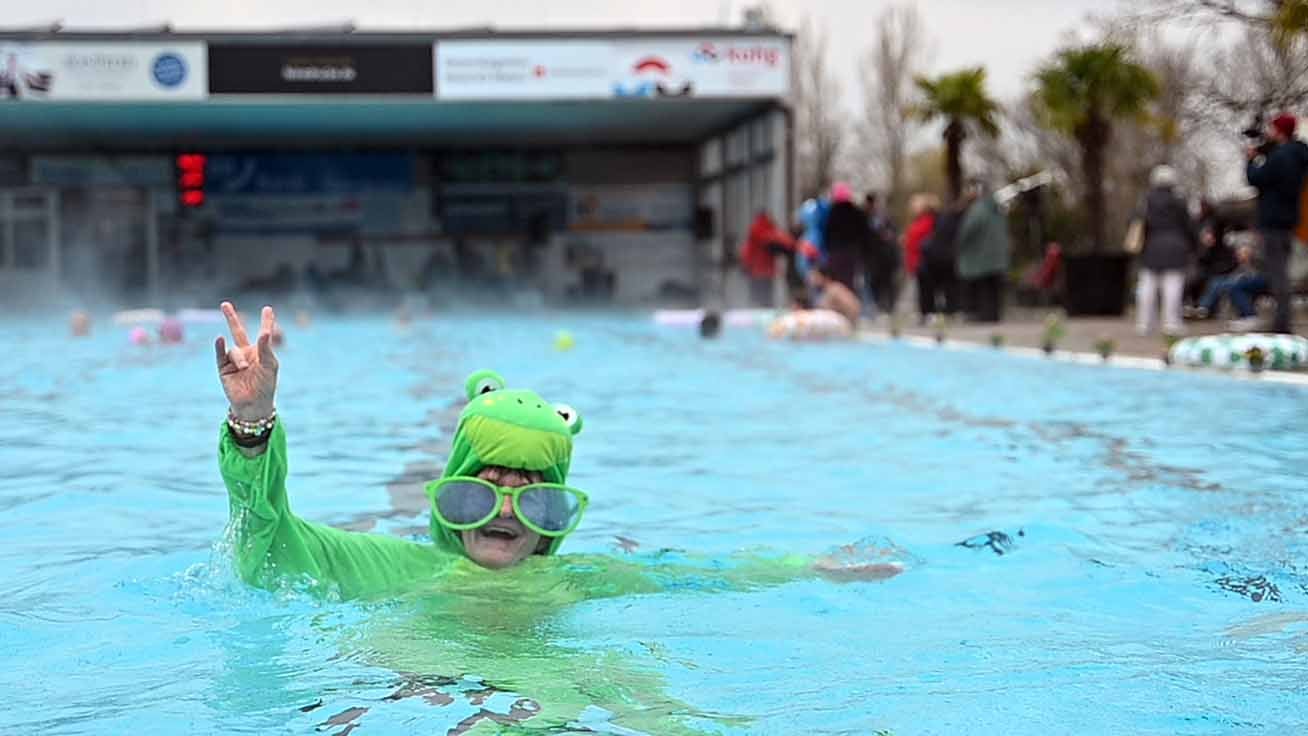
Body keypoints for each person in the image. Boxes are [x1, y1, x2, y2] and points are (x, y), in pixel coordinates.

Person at [214, 302, 900, 600]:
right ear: (448, 497)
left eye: (533, 496)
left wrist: (807, 568)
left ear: (556, 515)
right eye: (479, 491)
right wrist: (254, 423)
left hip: (553, 684)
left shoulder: (578, 580)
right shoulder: (393, 565)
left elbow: (706, 574)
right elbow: (270, 535)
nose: (504, 512)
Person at [1247, 112, 1308, 334]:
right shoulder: (1299, 154)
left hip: (1273, 222)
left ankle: (1282, 325)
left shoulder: (1282, 156)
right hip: (1289, 222)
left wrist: (1251, 160)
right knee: (1280, 272)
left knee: (1278, 274)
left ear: (1280, 131)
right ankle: (1282, 321)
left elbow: (1257, 179)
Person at [1135, 165, 1198, 337]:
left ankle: (1144, 323)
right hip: (1176, 246)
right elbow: (1189, 226)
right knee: (1173, 286)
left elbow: (1137, 223)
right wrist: (1195, 245)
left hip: (1152, 246)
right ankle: (1171, 323)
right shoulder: (1180, 200)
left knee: (1147, 286)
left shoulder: (1146, 200)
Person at [955, 180, 1011, 323]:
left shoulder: (977, 210)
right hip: (997, 257)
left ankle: (982, 316)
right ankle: (993, 315)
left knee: (982, 288)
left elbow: (967, 232)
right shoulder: (998, 209)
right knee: (993, 289)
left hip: (980, 257)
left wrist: (958, 245)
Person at [1195, 244, 1268, 331]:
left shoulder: (1257, 262)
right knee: (1216, 281)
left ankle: (1249, 316)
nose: (1240, 255)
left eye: (1243, 253)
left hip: (1252, 280)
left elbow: (1253, 275)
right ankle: (1203, 307)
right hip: (1237, 277)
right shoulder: (1238, 263)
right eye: (1239, 253)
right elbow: (1235, 273)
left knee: (1232, 286)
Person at [821, 182, 871, 293]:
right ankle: (849, 304)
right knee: (850, 280)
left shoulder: (831, 213)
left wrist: (827, 249)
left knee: (837, 280)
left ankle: (839, 305)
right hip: (852, 252)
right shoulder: (857, 212)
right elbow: (865, 233)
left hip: (836, 251)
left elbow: (826, 233)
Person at [738, 211, 795, 308]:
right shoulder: (763, 229)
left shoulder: (756, 229)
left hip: (756, 271)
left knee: (758, 298)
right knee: (763, 298)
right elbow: (779, 241)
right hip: (762, 271)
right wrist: (792, 245)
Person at [903, 194, 939, 323]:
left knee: (927, 287)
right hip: (915, 260)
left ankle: (929, 312)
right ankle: (924, 312)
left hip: (924, 260)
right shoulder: (918, 221)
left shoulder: (929, 220)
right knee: (921, 287)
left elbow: (920, 238)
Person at [864, 193, 901, 315]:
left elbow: (894, 234)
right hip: (873, 256)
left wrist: (890, 237)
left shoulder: (887, 218)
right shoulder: (866, 218)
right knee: (875, 282)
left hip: (887, 256)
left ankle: (888, 307)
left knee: (888, 282)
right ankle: (877, 307)